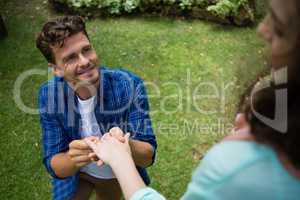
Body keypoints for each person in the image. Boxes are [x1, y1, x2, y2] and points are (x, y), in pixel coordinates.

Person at [85, 0, 300, 199]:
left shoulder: (237, 169)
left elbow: (148, 153)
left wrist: (121, 158)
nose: (262, 29)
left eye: (280, 28)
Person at [36, 16, 157, 200]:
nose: (84, 61)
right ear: (56, 69)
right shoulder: (49, 95)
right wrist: (74, 157)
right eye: (70, 58)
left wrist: (123, 145)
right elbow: (54, 165)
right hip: (75, 174)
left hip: (113, 174)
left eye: (87, 49)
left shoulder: (129, 84)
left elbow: (148, 156)